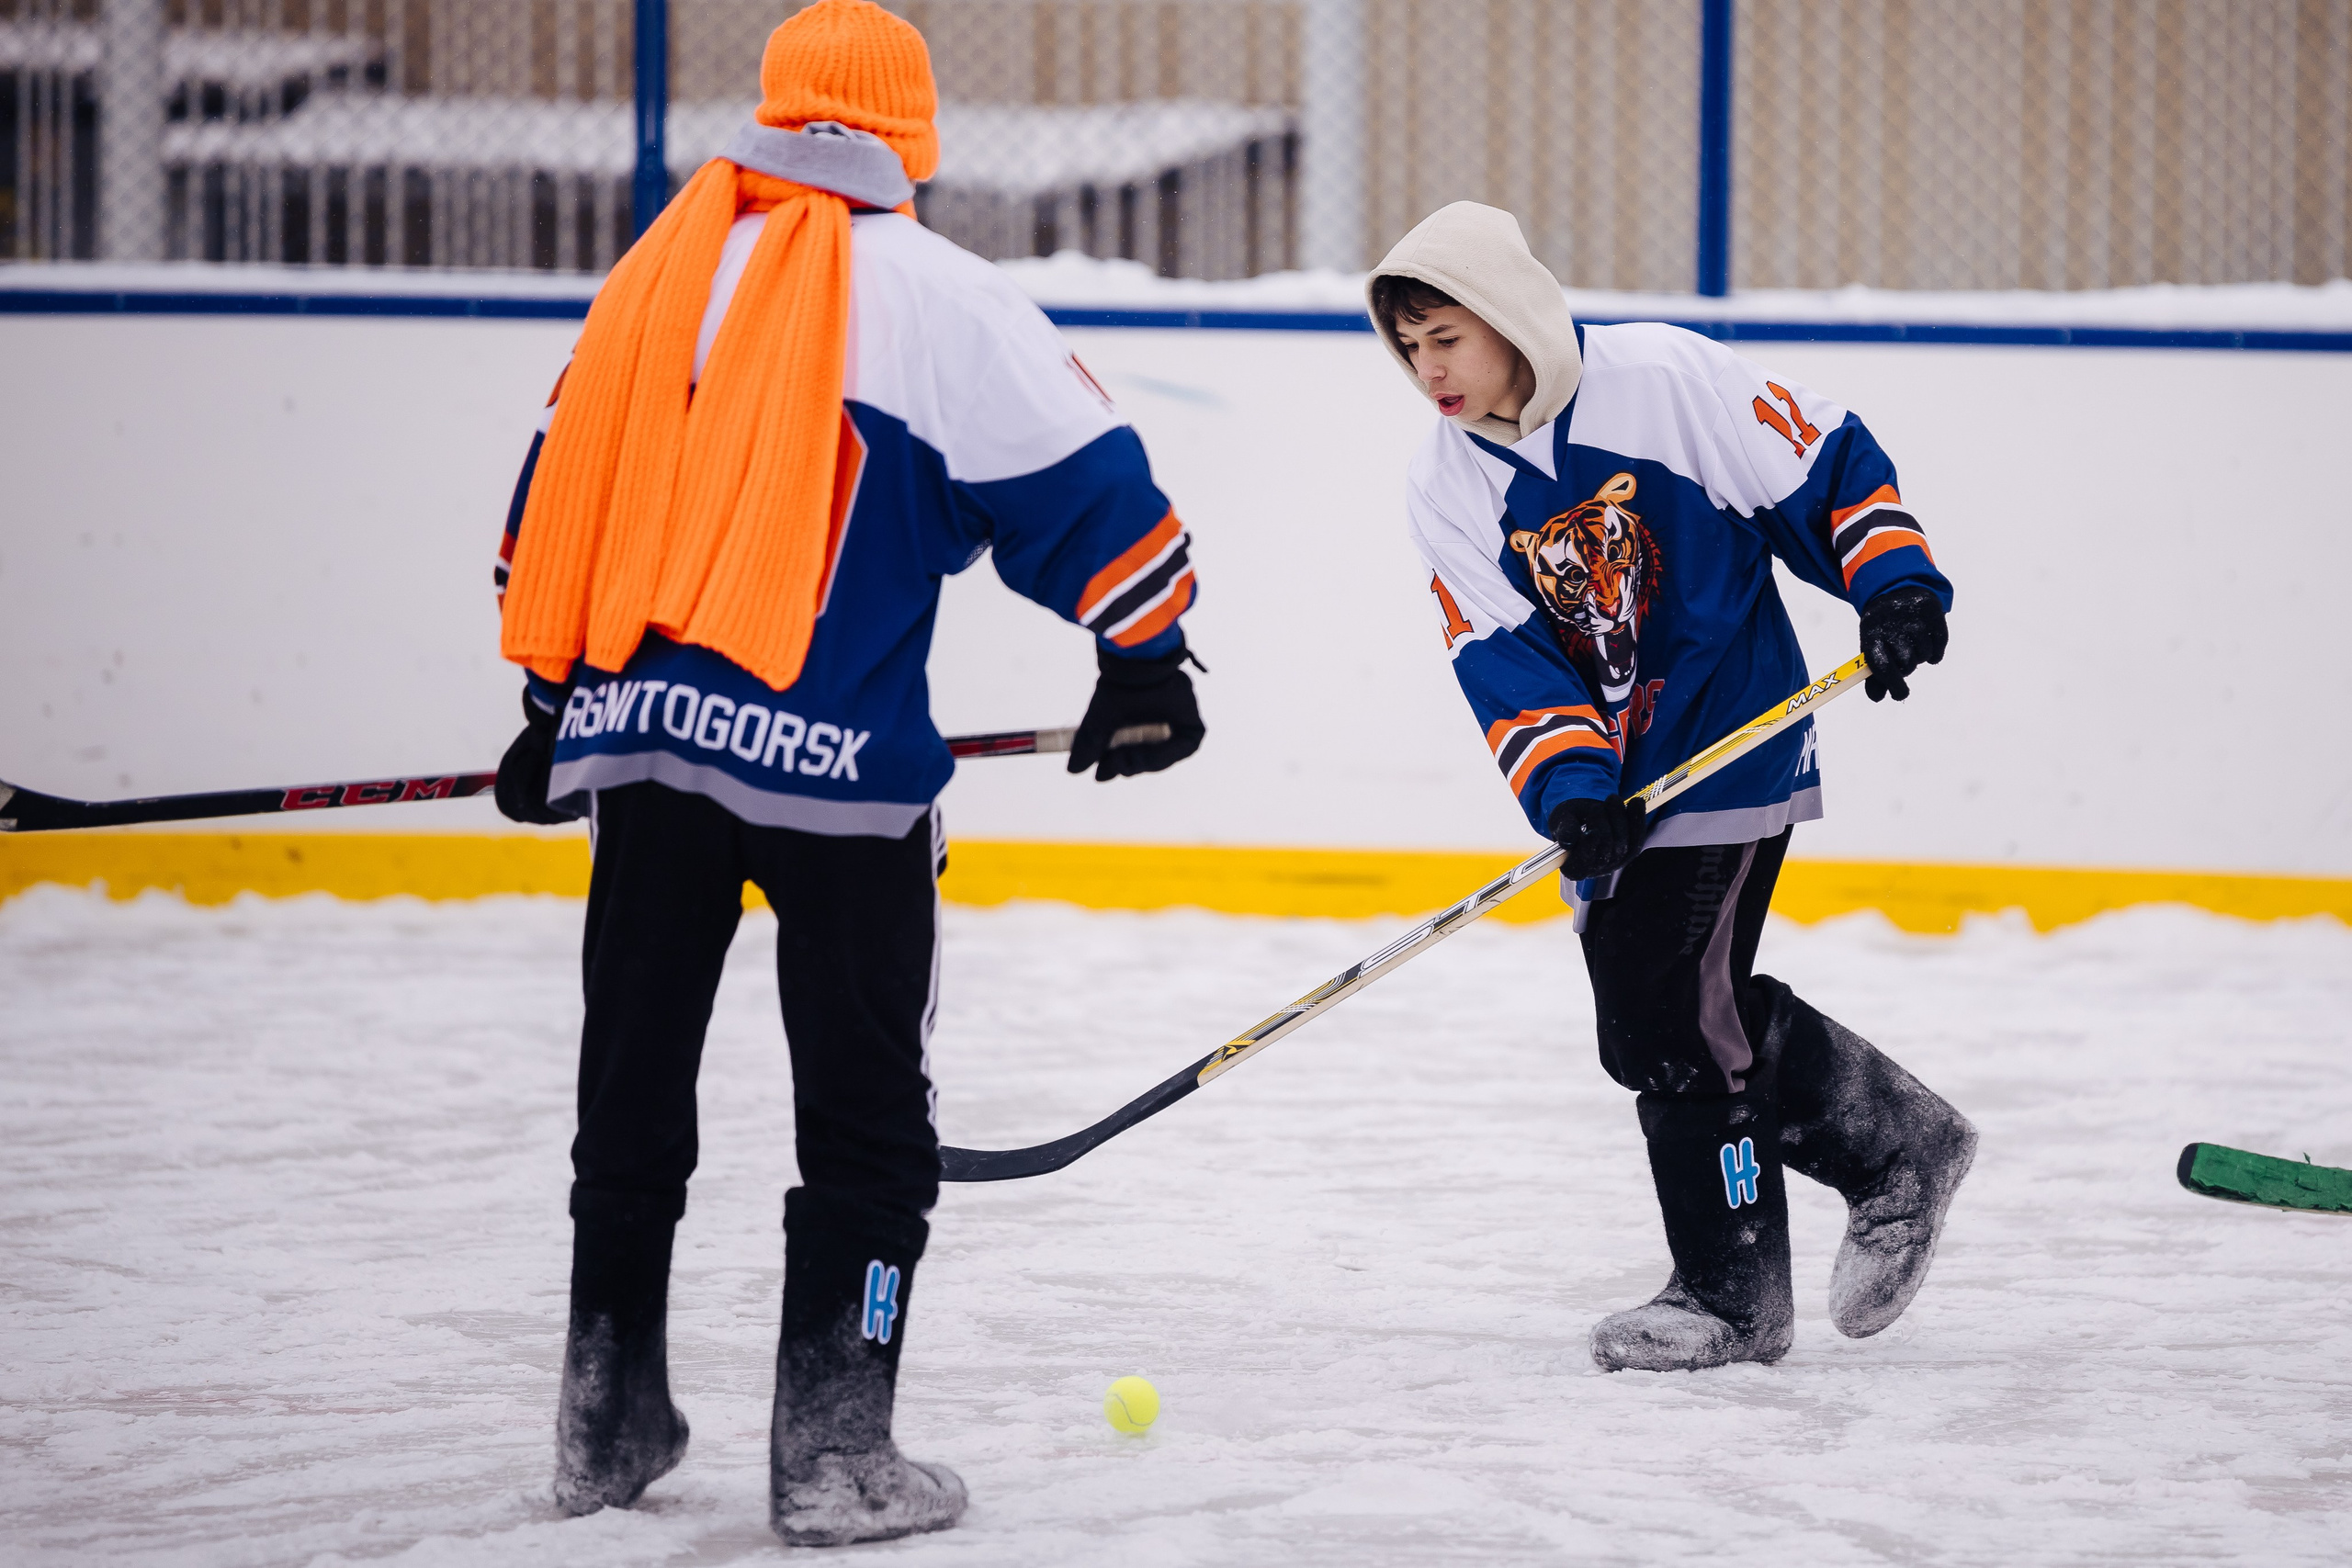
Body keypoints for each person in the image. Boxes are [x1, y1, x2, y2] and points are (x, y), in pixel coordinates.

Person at [488, 0, 1204, 1542]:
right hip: (844, 781)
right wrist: (1145, 659)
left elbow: (553, 505)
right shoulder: (942, 295)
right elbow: (1095, 490)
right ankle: (834, 1453)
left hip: (645, 755)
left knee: (629, 1089)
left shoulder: (658, 276)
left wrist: (551, 704)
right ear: (911, 140)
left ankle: (603, 1423)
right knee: (870, 1112)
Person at [1366, 202, 1974, 1372]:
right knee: (1650, 1021)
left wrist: (1892, 585)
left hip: (1732, 736)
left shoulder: (1661, 379)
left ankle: (1733, 1296)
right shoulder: (1445, 481)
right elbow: (1501, 656)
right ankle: (1897, 1145)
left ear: (1507, 317)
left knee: (1674, 1010)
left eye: (1445, 338)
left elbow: (1825, 466)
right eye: (1408, 348)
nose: (1427, 369)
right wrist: (1571, 789)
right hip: (1627, 784)